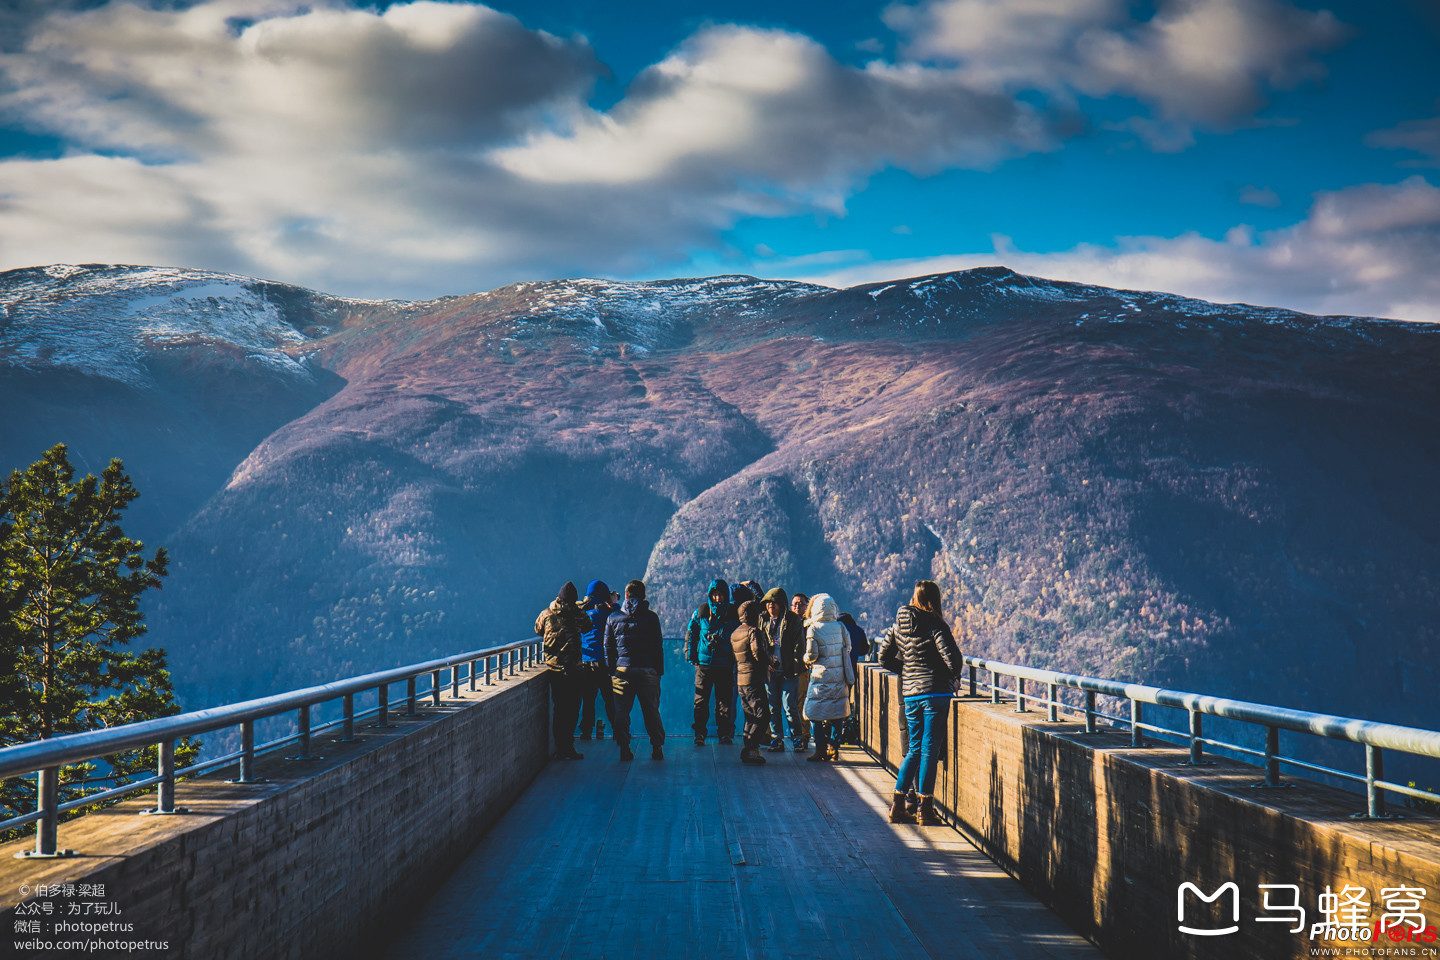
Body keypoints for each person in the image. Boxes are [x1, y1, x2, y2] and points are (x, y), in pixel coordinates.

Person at [877, 580, 963, 825]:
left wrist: (907, 671)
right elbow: (953, 661)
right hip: (935, 693)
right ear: (934, 599)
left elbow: (883, 657)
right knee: (929, 750)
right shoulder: (936, 623)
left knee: (914, 749)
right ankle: (925, 810)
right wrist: (952, 677)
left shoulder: (898, 626)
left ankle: (897, 805)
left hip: (911, 694)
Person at [604, 579, 667, 762]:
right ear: (644, 596)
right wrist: (658, 671)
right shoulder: (651, 618)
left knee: (621, 711)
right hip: (647, 670)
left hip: (622, 670)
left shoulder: (613, 618)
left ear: (625, 596)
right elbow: (658, 647)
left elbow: (608, 647)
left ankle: (624, 747)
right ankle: (657, 747)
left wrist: (611, 670)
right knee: (651, 710)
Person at [535, 580, 590, 760]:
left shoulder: (546, 614)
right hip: (574, 669)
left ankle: (560, 748)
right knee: (573, 709)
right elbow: (588, 627)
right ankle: (569, 746)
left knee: (559, 709)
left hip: (555, 670)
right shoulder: (578, 614)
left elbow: (538, 630)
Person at [685, 579, 738, 745]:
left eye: (720, 594)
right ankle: (700, 733)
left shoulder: (732, 612)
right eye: (715, 594)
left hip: (725, 664)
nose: (717, 597)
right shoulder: (701, 611)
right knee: (701, 701)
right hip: (704, 664)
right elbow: (691, 633)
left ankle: (724, 733)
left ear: (725, 595)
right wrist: (690, 655)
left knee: (724, 702)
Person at [802, 594, 854, 761]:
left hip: (821, 676)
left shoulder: (814, 628)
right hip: (839, 676)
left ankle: (820, 749)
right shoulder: (840, 627)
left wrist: (805, 659)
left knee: (814, 713)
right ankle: (834, 745)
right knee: (837, 711)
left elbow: (812, 654)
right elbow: (849, 648)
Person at [759, 587, 808, 752]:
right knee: (773, 707)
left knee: (790, 707)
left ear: (781, 604)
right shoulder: (763, 620)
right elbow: (759, 645)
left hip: (788, 672)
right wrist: (766, 664)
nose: (771, 606)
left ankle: (797, 739)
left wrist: (793, 667)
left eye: (774, 603)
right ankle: (776, 738)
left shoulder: (792, 620)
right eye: (768, 603)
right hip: (770, 672)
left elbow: (798, 646)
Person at [730, 599, 774, 765]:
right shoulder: (753, 631)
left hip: (741, 679)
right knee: (763, 715)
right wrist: (771, 660)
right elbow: (758, 654)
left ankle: (750, 748)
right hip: (753, 678)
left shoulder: (735, 633)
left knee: (750, 716)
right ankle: (751, 748)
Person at [577, 579, 617, 740]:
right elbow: (620, 617)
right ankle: (617, 730)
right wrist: (613, 603)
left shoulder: (582, 613)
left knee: (588, 698)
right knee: (610, 698)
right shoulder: (606, 613)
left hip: (585, 661)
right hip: (603, 661)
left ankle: (586, 731)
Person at [837, 612, 870, 745]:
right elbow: (865, 649)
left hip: (834, 670)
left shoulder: (836, 628)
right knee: (846, 699)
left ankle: (833, 733)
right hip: (850, 670)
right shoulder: (858, 630)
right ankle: (847, 729)